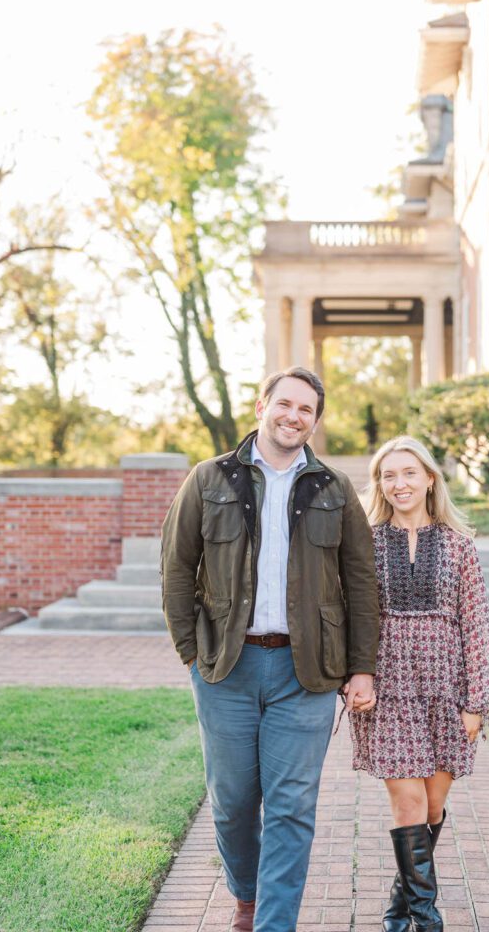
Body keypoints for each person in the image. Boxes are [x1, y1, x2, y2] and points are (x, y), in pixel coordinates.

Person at [161, 367, 379, 932]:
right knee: (233, 803)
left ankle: (272, 924)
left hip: (305, 672)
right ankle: (246, 893)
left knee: (291, 808)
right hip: (226, 668)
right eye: (285, 404)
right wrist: (192, 652)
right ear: (262, 406)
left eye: (307, 410)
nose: (294, 417)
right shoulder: (209, 480)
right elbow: (176, 569)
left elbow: (361, 584)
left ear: (314, 421)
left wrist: (361, 667)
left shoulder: (333, 489)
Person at [349, 435, 489, 932]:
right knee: (407, 802)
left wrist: (476, 701)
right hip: (388, 688)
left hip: (446, 689)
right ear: (380, 484)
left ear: (430, 478)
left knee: (432, 805)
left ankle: (399, 905)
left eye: (409, 473)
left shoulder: (458, 545)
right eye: (389, 475)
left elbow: (476, 625)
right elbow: (352, 615)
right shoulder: (365, 542)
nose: (399, 484)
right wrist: (355, 675)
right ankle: (427, 918)